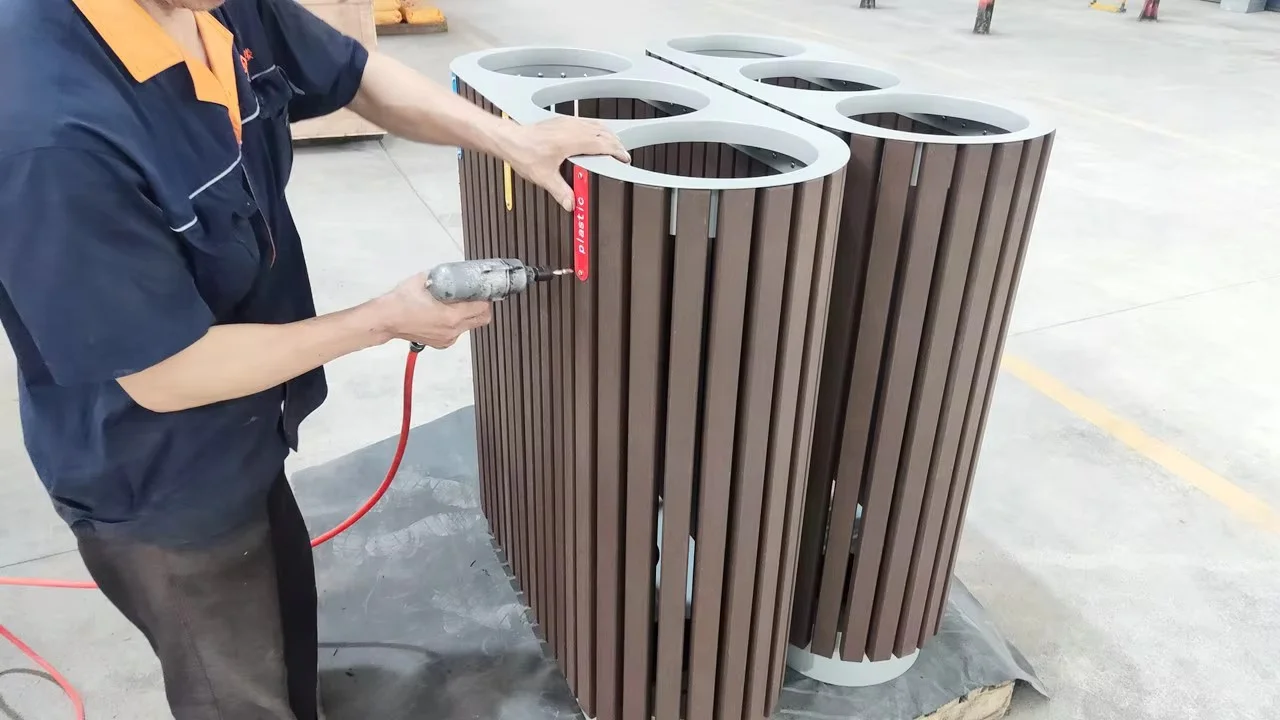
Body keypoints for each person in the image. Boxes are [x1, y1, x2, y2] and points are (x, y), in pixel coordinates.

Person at [0, 0, 629, 717]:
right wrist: (382, 319)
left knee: (290, 631)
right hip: (159, 482)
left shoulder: (212, 8)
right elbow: (167, 374)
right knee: (238, 694)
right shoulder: (46, 133)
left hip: (251, 425)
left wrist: (509, 139)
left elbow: (354, 73)